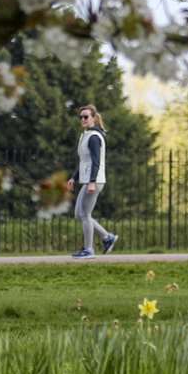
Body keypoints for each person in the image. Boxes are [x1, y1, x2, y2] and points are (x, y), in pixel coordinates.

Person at [67, 104, 117, 259]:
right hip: (87, 179)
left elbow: (95, 161)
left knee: (85, 214)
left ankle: (89, 250)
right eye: (81, 117)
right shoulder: (86, 135)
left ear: (94, 118)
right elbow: (84, 161)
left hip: (94, 181)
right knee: (79, 213)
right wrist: (74, 178)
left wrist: (92, 181)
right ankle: (107, 237)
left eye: (86, 116)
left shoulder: (94, 137)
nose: (83, 119)